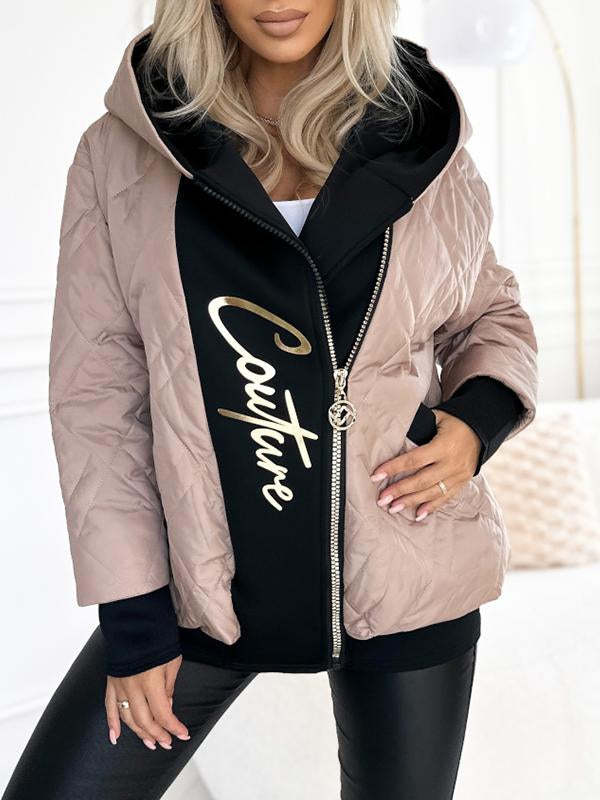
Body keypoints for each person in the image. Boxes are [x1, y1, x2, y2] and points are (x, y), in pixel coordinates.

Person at [2, 1, 538, 798]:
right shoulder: (124, 152)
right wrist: (135, 615)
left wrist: (473, 425)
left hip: (404, 569)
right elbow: (97, 397)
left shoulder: (422, 141)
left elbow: (490, 315)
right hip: (202, 584)